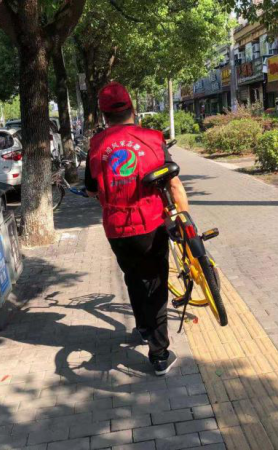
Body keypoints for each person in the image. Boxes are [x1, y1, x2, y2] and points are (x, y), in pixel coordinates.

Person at [85, 82, 189, 376]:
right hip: (151, 224)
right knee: (155, 284)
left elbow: (91, 190)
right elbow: (174, 184)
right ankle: (159, 354)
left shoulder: (96, 145)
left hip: (117, 229)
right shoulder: (153, 138)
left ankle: (143, 328)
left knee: (133, 277)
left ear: (104, 115)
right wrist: (184, 220)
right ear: (132, 108)